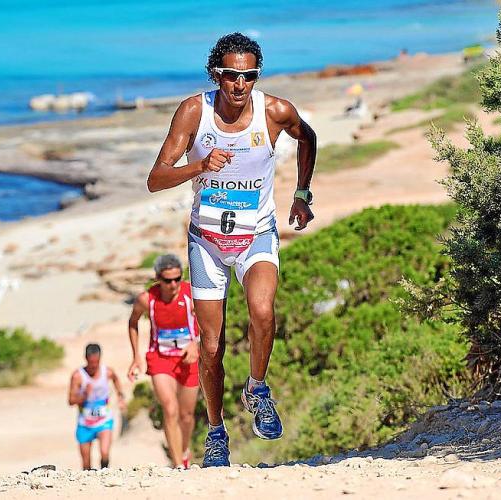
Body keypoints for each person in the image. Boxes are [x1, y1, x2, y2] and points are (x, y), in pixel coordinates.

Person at [146, 32, 317, 467]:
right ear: (215, 74)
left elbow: (308, 138)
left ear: (257, 76)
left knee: (262, 311)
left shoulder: (275, 112)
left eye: (249, 75)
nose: (239, 84)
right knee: (210, 346)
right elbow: (155, 179)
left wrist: (302, 194)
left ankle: (257, 389)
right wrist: (200, 166)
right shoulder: (194, 112)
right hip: (207, 242)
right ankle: (217, 433)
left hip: (256, 234)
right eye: (230, 75)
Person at [127, 254, 200, 468]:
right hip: (160, 359)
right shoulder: (147, 299)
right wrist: (136, 356)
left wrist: (195, 343)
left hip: (188, 358)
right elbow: (132, 322)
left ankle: (183, 451)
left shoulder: (191, 294)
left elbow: (210, 321)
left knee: (186, 416)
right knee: (170, 409)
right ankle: (178, 465)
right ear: (158, 279)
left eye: (177, 279)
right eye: (168, 281)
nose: (173, 285)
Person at [68, 343, 126, 470]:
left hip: (104, 420)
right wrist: (84, 395)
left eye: (96, 362)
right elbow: (71, 401)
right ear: (86, 358)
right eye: (91, 363)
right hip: (85, 423)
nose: (94, 366)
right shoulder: (78, 376)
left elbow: (116, 380)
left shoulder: (108, 372)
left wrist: (121, 396)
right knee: (86, 464)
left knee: (105, 453)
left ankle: (104, 474)